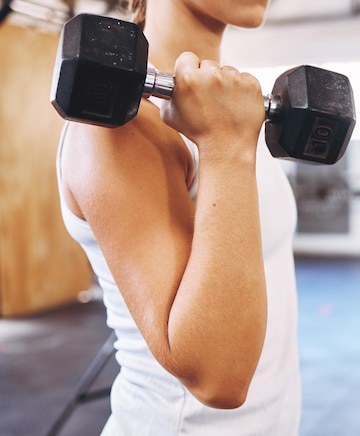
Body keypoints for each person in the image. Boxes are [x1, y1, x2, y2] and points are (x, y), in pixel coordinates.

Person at [56, 0, 302, 434]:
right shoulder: (119, 124)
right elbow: (218, 376)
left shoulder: (229, 110)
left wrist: (229, 137)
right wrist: (225, 146)